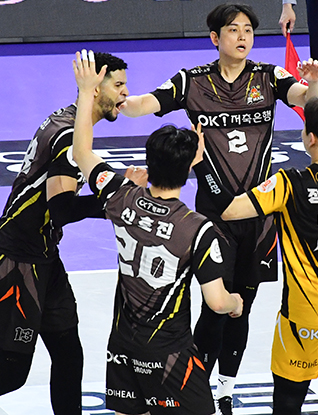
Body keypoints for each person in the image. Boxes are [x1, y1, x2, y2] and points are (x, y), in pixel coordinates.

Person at [119, 2, 318, 414]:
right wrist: (113, 97)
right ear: (215, 38)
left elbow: (310, 102)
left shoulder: (269, 76)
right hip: (214, 218)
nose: (243, 36)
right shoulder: (192, 81)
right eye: (233, 29)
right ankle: (195, 386)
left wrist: (314, 82)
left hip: (260, 217)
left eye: (248, 29)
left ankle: (225, 389)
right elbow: (143, 105)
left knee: (241, 308)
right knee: (215, 309)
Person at [192, 77, 318, 414]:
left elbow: (228, 209)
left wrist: (201, 163)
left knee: (288, 403)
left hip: (304, 315)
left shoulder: (288, 184)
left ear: (310, 138)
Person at [71, 49, 244, 415]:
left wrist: (86, 92)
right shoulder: (198, 228)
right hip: (170, 354)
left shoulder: (120, 195)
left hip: (123, 347)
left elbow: (82, 151)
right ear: (191, 165)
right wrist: (235, 303)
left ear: (148, 163)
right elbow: (216, 302)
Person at [0, 52, 136, 414]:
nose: (125, 93)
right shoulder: (68, 137)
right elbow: (62, 209)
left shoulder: (69, 121)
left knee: (68, 353)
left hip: (45, 255)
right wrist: (119, 198)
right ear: (96, 89)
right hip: (19, 262)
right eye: (119, 85)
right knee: (11, 372)